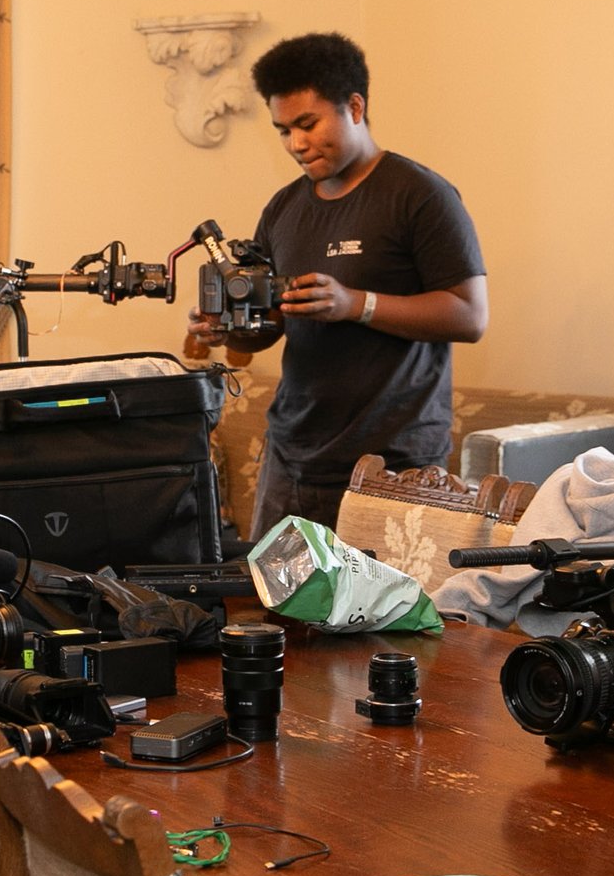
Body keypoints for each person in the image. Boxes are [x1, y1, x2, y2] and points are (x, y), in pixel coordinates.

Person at [190, 32, 487, 534]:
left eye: (308, 124)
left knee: (378, 592)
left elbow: (470, 315)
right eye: (283, 130)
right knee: (271, 588)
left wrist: (355, 304)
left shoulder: (421, 195)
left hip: (393, 464)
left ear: (354, 107)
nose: (296, 144)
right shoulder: (283, 208)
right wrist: (228, 328)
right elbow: (269, 325)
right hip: (291, 456)